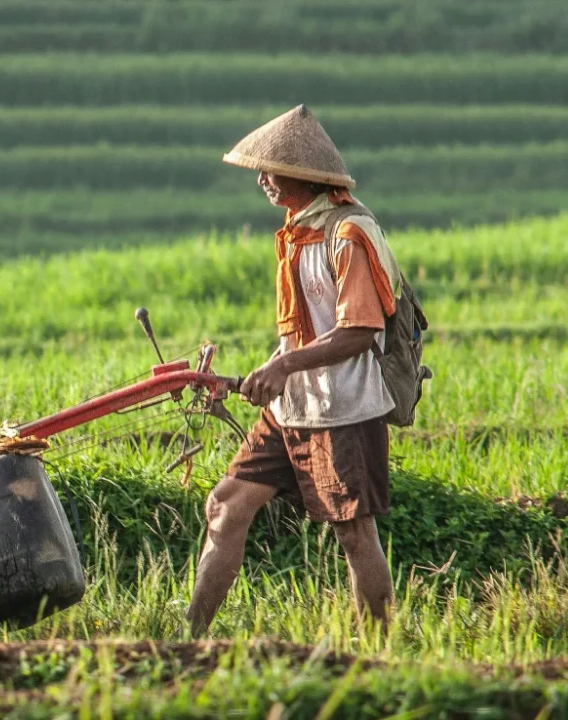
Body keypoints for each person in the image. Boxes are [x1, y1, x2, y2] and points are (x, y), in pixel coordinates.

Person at [185, 104, 405, 636]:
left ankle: (377, 656)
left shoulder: (348, 233)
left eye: (270, 170)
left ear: (304, 174)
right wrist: (266, 372)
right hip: (295, 408)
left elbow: (359, 330)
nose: (262, 180)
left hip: (345, 407)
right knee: (226, 504)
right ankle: (188, 640)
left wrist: (285, 365)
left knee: (354, 532)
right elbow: (300, 333)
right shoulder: (297, 233)